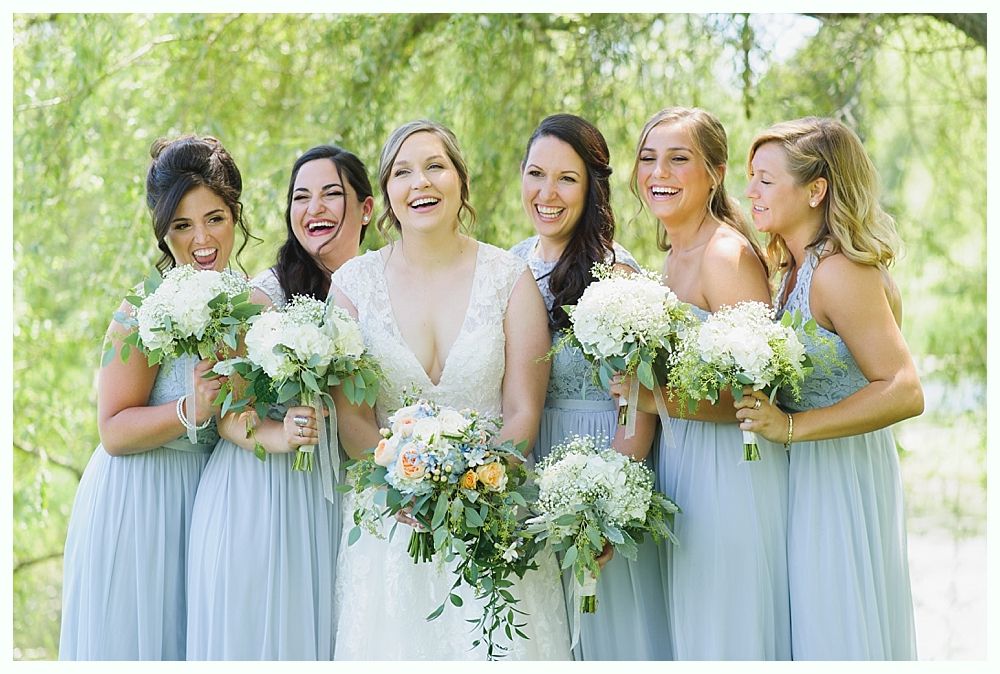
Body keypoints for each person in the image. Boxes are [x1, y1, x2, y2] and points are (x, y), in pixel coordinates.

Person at [329, 120, 571, 660]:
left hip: (494, 508)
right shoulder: (352, 285)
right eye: (402, 172)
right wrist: (407, 490)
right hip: (391, 525)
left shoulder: (509, 279)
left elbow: (522, 409)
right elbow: (353, 419)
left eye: (435, 166)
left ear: (461, 180)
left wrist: (478, 483)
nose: (421, 183)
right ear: (386, 194)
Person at [59, 135, 251, 660]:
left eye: (214, 218)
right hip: (139, 499)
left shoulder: (254, 305)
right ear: (163, 232)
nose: (201, 239)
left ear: (236, 214)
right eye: (181, 225)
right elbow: (113, 431)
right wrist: (191, 410)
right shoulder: (145, 310)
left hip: (208, 505)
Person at [738, 117, 923, 660]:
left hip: (840, 475)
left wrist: (792, 426)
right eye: (750, 177)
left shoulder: (839, 272)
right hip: (800, 471)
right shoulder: (791, 270)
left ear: (816, 190)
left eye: (766, 180)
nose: (750, 191)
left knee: (833, 630)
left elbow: (905, 387)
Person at [611, 107, 791, 660]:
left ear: (714, 172)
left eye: (677, 159)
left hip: (731, 472)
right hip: (683, 463)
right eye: (648, 159)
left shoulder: (725, 255)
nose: (658, 172)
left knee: (724, 634)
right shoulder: (669, 260)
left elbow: (761, 398)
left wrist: (651, 398)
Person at [185, 145, 374, 659]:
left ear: (366, 209)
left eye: (331, 194)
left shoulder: (382, 287)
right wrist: (277, 434)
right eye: (301, 197)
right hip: (262, 494)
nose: (314, 208)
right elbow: (225, 413)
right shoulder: (264, 295)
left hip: (338, 498)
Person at [509, 113, 671, 660]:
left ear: (592, 187)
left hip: (600, 461)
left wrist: (606, 506)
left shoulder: (616, 275)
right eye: (535, 174)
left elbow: (637, 403)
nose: (546, 193)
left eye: (566, 179)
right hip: (530, 466)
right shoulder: (508, 266)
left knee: (604, 633)